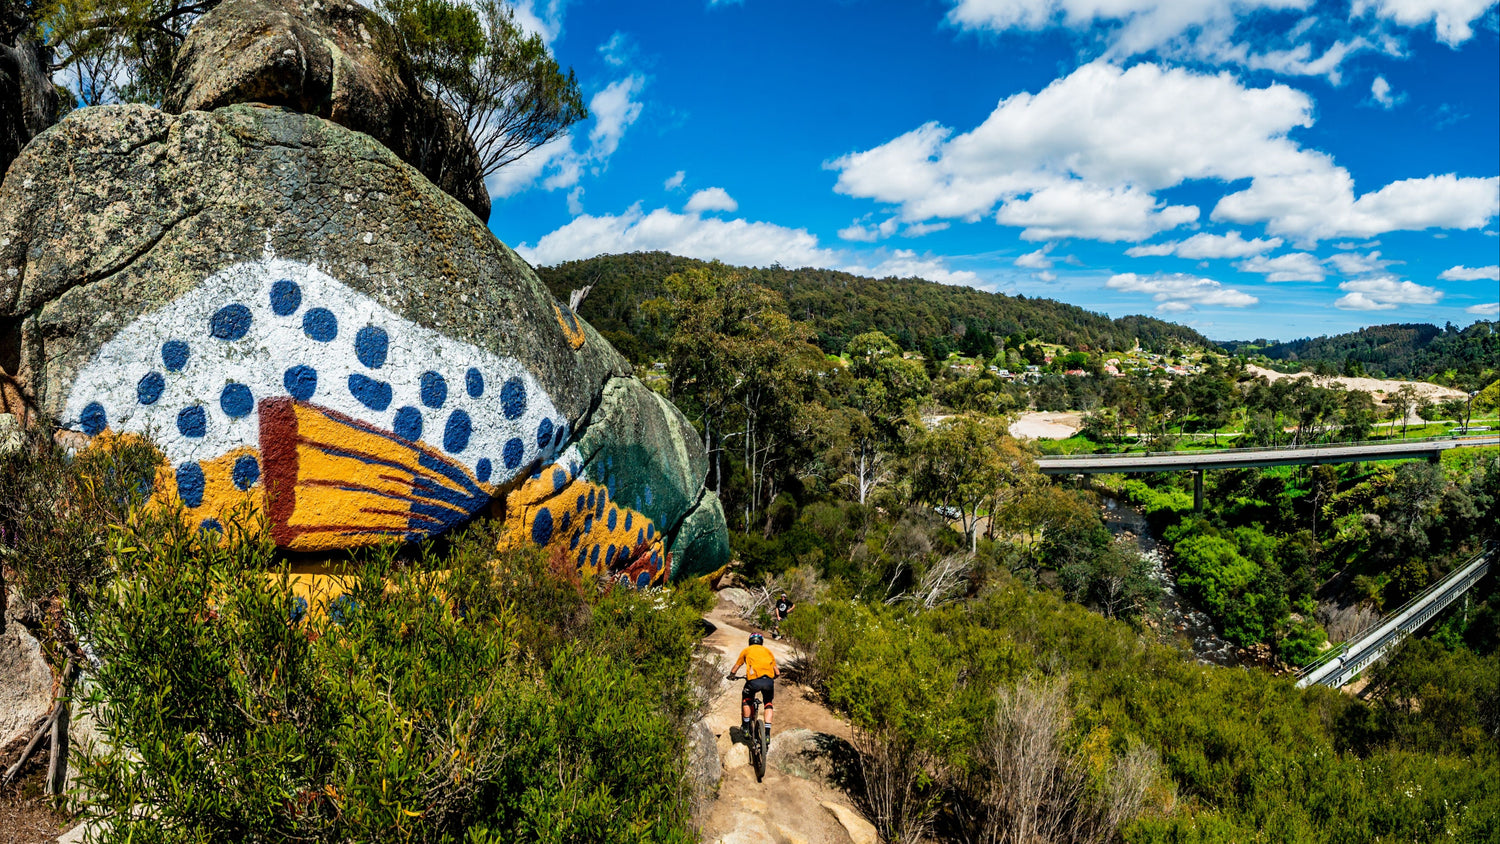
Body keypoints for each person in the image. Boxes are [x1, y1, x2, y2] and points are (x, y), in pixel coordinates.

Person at [729, 632, 777, 742]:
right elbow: (777, 672)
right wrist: (773, 678)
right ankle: (767, 734)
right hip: (768, 682)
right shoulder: (768, 651)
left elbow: (736, 666)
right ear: (761, 642)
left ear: (750, 641)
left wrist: (732, 675)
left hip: (753, 681)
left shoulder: (747, 650)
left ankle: (745, 727)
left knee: (746, 700)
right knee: (768, 703)